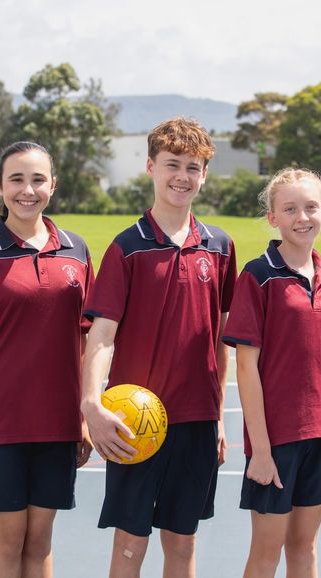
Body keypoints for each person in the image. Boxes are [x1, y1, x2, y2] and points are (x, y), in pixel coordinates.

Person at [81, 117, 237, 578]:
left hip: (197, 420)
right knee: (130, 545)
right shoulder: (126, 248)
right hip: (136, 423)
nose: (182, 176)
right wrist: (91, 404)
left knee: (183, 545)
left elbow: (219, 340)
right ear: (150, 167)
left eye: (193, 167)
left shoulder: (220, 247)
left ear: (204, 175)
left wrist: (220, 418)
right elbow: (102, 335)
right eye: (172, 164)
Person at [0, 141, 94, 578]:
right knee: (7, 543)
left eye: (38, 179)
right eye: (17, 180)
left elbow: (85, 343)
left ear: (54, 185)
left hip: (57, 426)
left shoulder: (77, 252)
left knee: (40, 543)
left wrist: (82, 416)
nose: (28, 190)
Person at [222, 168, 321, 578]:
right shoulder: (258, 276)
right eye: (290, 208)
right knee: (266, 554)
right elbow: (246, 366)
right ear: (272, 217)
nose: (302, 217)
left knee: (305, 548)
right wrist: (260, 450)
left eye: (311, 207)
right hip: (276, 440)